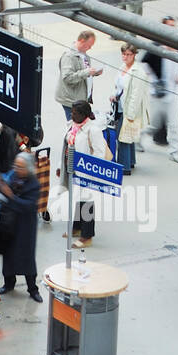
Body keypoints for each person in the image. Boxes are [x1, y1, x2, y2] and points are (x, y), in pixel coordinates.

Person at [138, 17, 178, 164]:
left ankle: (174, 151)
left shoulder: (176, 53)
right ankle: (138, 139)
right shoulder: (155, 49)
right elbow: (145, 65)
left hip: (171, 96)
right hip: (157, 95)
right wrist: (154, 80)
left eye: (174, 26)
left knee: (173, 125)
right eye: (169, 26)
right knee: (154, 125)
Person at [0, 151, 42, 300]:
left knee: (27, 258)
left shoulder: (34, 185)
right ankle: (8, 284)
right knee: (8, 256)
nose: (16, 169)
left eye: (20, 167)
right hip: (10, 225)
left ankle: (33, 289)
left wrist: (10, 196)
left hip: (25, 228)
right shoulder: (14, 177)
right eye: (16, 166)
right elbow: (6, 196)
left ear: (28, 169)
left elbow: (27, 206)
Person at [64, 100, 110, 247]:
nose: (72, 115)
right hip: (74, 168)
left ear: (84, 115)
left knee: (87, 201)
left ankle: (87, 235)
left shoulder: (93, 130)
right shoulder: (73, 125)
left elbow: (100, 152)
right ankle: (77, 227)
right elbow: (67, 145)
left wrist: (89, 170)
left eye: (75, 113)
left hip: (87, 172)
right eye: (72, 112)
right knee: (79, 197)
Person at [113, 43, 147, 174]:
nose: (125, 57)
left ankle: (124, 166)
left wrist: (130, 115)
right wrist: (114, 95)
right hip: (120, 106)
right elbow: (118, 86)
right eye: (123, 54)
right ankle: (130, 161)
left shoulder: (138, 72)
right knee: (128, 136)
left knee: (123, 137)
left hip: (129, 109)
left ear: (134, 55)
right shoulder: (122, 67)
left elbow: (136, 95)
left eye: (128, 54)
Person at [55, 30, 101, 122]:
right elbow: (67, 78)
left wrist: (93, 73)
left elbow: (83, 73)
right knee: (74, 127)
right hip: (71, 100)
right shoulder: (69, 56)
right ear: (82, 41)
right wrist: (87, 72)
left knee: (82, 126)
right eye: (89, 45)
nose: (90, 48)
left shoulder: (83, 55)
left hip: (82, 99)